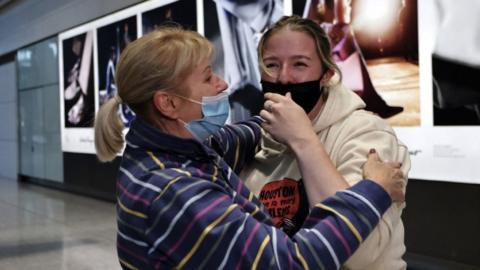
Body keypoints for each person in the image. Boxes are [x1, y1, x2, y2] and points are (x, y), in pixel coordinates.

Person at [94, 26, 405, 269]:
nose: (223, 84)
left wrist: (287, 123)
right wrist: (374, 189)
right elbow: (293, 263)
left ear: (326, 74)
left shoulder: (175, 148)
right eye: (207, 78)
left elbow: (235, 138)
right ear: (169, 103)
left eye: (299, 64)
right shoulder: (173, 189)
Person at [241, 15, 410, 269]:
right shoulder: (253, 141)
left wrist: (302, 140)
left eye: (299, 64)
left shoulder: (367, 133)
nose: (284, 78)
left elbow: (356, 253)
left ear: (326, 74)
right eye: (272, 65)